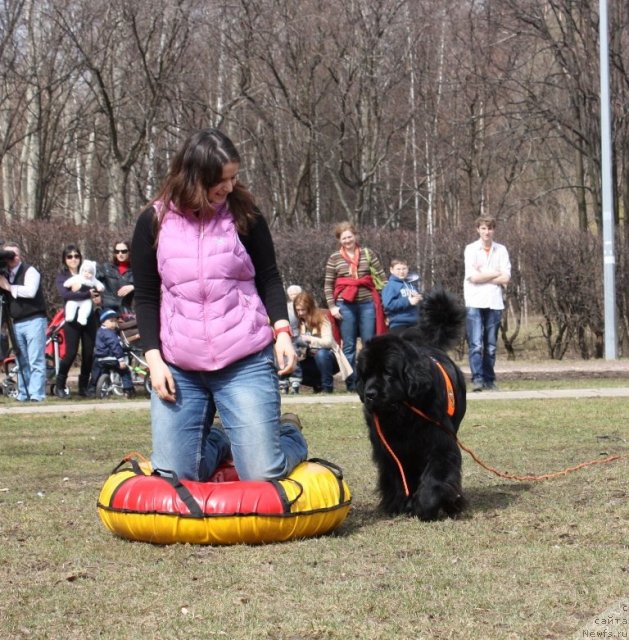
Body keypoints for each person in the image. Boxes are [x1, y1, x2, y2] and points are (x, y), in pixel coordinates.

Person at [131, 127, 307, 482]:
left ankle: (288, 436)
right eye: (221, 180)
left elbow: (269, 277)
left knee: (261, 474)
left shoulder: (244, 213)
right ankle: (222, 442)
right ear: (195, 177)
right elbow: (147, 296)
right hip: (180, 365)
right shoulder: (154, 220)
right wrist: (153, 359)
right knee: (176, 476)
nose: (229, 187)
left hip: (244, 359)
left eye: (233, 177)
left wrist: (283, 332)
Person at [323, 221, 387, 391]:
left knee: (369, 344)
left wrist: (385, 300)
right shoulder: (334, 258)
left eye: (350, 236)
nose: (347, 240)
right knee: (349, 345)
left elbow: (381, 277)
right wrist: (332, 307)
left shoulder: (368, 254)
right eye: (343, 238)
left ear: (355, 236)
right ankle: (352, 383)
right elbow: (328, 285)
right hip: (345, 306)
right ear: (339, 240)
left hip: (367, 304)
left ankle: (370, 382)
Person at [463, 215, 511, 392]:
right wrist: (495, 273)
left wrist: (486, 275)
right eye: (483, 228)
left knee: (490, 345)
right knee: (476, 344)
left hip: (494, 301)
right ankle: (477, 378)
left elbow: (506, 277)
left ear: (494, 230)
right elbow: (473, 277)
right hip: (475, 300)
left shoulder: (501, 250)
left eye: (489, 228)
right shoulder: (471, 249)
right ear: (478, 229)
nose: (486, 232)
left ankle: (489, 379)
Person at [0, 242, 47, 402]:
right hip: (17, 322)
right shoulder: (5, 274)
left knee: (35, 359)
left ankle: (36, 395)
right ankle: (23, 393)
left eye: (15, 254)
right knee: (21, 360)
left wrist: (9, 287)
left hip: (34, 319)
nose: (13, 257)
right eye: (9, 255)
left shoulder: (30, 270)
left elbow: (30, 291)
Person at [54, 244, 99, 398]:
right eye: (69, 256)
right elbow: (65, 295)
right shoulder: (63, 276)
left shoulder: (88, 272)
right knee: (71, 353)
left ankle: (83, 387)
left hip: (89, 318)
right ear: (65, 259)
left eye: (76, 256)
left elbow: (97, 291)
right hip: (71, 319)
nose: (73, 259)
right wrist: (87, 294)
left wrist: (90, 293)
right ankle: (60, 385)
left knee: (88, 353)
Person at [293, 291, 352, 394]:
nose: (300, 313)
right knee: (292, 365)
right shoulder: (300, 323)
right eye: (298, 310)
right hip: (311, 359)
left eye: (303, 310)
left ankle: (327, 387)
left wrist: (309, 339)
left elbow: (328, 342)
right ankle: (318, 384)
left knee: (321, 354)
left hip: (330, 358)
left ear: (309, 307)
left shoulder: (322, 319)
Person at [89, 308, 135, 398]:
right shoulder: (110, 333)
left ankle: (92, 390)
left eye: (115, 321)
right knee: (124, 371)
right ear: (103, 322)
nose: (114, 323)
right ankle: (128, 390)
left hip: (100, 359)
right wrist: (121, 360)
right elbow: (115, 347)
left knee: (97, 374)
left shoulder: (99, 332)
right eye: (111, 321)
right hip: (112, 358)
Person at [381, 258, 423, 333]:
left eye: (404, 268)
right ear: (391, 270)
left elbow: (416, 303)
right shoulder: (390, 286)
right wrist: (408, 301)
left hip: (415, 323)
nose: (401, 272)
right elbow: (388, 305)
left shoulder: (411, 285)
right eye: (398, 269)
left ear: (408, 269)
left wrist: (420, 299)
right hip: (399, 324)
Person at [96, 241, 135, 313]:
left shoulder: (135, 271)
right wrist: (96, 296)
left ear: (129, 252)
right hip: (108, 311)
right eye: (117, 251)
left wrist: (133, 286)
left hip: (125, 311)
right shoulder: (106, 267)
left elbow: (146, 288)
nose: (120, 254)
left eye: (124, 251)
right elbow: (93, 281)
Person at [278, 284, 303, 395]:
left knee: (294, 356)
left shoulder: (303, 307)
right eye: (292, 294)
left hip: (298, 337)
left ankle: (295, 381)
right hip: (285, 336)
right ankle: (282, 382)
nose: (294, 296)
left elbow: (304, 323)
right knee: (281, 358)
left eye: (296, 294)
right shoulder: (286, 307)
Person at [63, 259, 104, 325]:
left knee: (87, 307)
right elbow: (69, 282)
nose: (87, 274)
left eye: (90, 272)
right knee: (70, 304)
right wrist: (67, 284)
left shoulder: (93, 280)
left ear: (93, 274)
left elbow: (99, 285)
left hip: (86, 299)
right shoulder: (78, 277)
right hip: (75, 298)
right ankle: (70, 315)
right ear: (82, 271)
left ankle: (82, 318)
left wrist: (100, 287)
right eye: (85, 271)